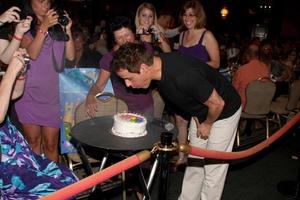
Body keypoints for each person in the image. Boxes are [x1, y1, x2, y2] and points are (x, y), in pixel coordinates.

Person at [111, 43, 241, 200]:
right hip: (202, 111)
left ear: (144, 68)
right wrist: (194, 117)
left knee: (213, 169)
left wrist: (207, 123)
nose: (128, 84)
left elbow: (217, 103)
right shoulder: (159, 70)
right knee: (195, 163)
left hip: (224, 110)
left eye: (129, 78)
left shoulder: (182, 75)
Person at [0, 49, 78, 199]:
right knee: (57, 193)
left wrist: (20, 73)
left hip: (17, 151)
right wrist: (10, 72)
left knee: (67, 180)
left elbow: (14, 93)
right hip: (6, 167)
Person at [14, 0, 75, 162]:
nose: (44, 4)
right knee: (33, 143)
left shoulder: (57, 27)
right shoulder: (25, 26)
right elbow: (32, 54)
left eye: (47, 1)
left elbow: (70, 57)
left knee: (50, 144)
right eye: (40, 1)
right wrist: (44, 27)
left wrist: (67, 29)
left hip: (53, 96)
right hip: (29, 95)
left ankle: (54, 183)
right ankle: (39, 182)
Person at [175, 0, 221, 166]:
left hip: (200, 86)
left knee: (197, 125)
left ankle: (199, 156)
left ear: (198, 16)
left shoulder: (206, 35)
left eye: (191, 15)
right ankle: (182, 156)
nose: (187, 18)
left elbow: (216, 63)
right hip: (183, 86)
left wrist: (194, 67)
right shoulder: (182, 35)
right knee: (180, 121)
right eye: (185, 14)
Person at [85, 16, 154, 119]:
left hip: (145, 107)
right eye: (119, 38)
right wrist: (90, 95)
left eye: (127, 35)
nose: (125, 40)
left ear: (134, 33)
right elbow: (99, 85)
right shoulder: (109, 58)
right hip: (122, 109)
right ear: (114, 40)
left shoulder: (145, 49)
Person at [232, 43, 270, 110]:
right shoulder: (266, 68)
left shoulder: (242, 70)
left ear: (247, 55)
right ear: (258, 55)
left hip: (245, 107)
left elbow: (233, 90)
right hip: (262, 105)